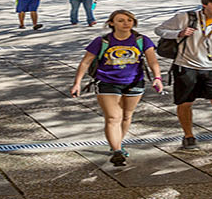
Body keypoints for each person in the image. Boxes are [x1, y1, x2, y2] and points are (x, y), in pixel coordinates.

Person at [69, 9, 164, 166]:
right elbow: (85, 62)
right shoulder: (102, 41)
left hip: (134, 82)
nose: (126, 23)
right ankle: (117, 150)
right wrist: (77, 83)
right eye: (121, 20)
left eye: (129, 20)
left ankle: (118, 144)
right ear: (111, 23)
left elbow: (153, 61)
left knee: (127, 116)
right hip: (107, 82)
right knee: (113, 117)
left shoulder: (142, 40)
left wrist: (157, 78)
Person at [154, 0, 212, 159]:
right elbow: (159, 30)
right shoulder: (185, 17)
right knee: (185, 103)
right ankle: (188, 136)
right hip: (186, 67)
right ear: (205, 4)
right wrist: (178, 33)